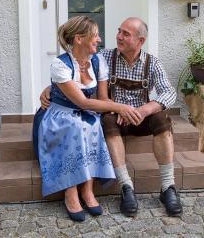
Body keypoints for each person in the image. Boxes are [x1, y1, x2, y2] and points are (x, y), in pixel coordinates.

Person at [41, 17, 182, 217]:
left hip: (140, 115)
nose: (118, 36)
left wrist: (143, 110)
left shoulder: (152, 63)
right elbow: (76, 71)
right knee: (105, 120)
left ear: (140, 41)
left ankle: (168, 187)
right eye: (119, 31)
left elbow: (169, 92)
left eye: (126, 34)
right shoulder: (105, 57)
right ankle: (126, 187)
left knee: (162, 119)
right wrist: (50, 88)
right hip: (115, 117)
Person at [33, 16, 142, 222]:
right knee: (75, 126)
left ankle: (87, 189)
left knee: (93, 124)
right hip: (58, 115)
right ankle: (70, 191)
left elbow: (101, 99)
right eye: (95, 36)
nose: (99, 40)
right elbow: (83, 102)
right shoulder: (60, 65)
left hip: (83, 112)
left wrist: (113, 107)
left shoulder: (97, 61)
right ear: (79, 39)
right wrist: (120, 107)